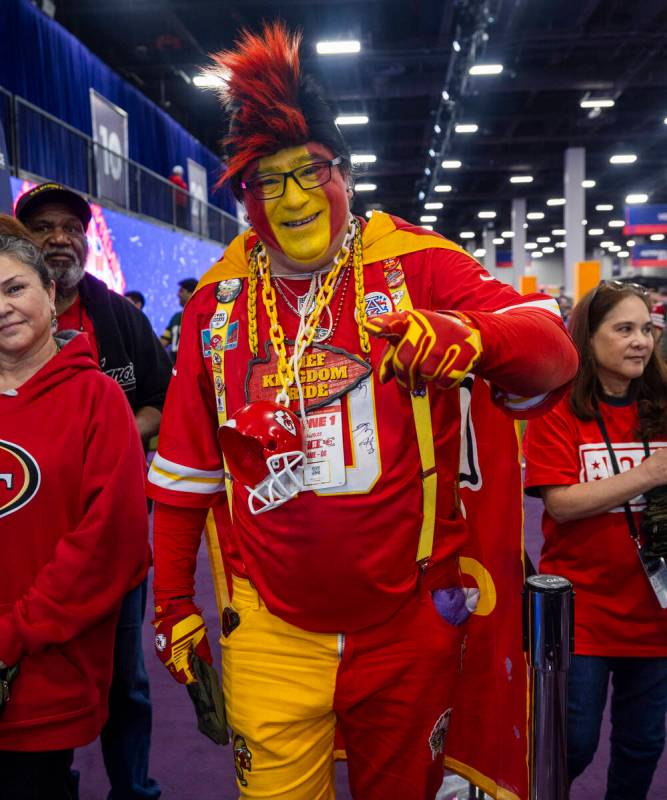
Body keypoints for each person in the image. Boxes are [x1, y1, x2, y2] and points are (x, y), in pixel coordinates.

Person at [146, 22, 578, 800]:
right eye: (266, 182)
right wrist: (174, 601)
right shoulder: (218, 302)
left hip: (408, 622)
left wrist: (467, 337)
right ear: (245, 199)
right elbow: (184, 471)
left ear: (342, 172)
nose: (293, 197)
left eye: (308, 171)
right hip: (270, 626)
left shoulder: (412, 263)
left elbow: (552, 350)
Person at [15, 182, 169, 800]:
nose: (60, 237)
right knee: (34, 675)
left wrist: (108, 436)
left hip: (113, 537)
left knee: (125, 681)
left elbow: (165, 402)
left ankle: (133, 790)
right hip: (31, 537)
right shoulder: (11, 317)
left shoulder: (120, 318)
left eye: (72, 227)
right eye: (44, 227)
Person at [523, 280, 667, 800]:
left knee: (643, 745)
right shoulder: (556, 409)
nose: (640, 342)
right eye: (624, 329)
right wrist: (648, 475)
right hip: (583, 614)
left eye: (647, 330)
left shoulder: (663, 403)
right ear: (587, 339)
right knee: (574, 743)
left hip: (657, 612)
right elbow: (561, 503)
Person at [160, 277, 197, 361]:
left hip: (192, 366)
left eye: (181, 291)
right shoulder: (176, 317)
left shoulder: (201, 316)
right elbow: (164, 341)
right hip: (173, 367)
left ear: (191, 293)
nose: (178, 294)